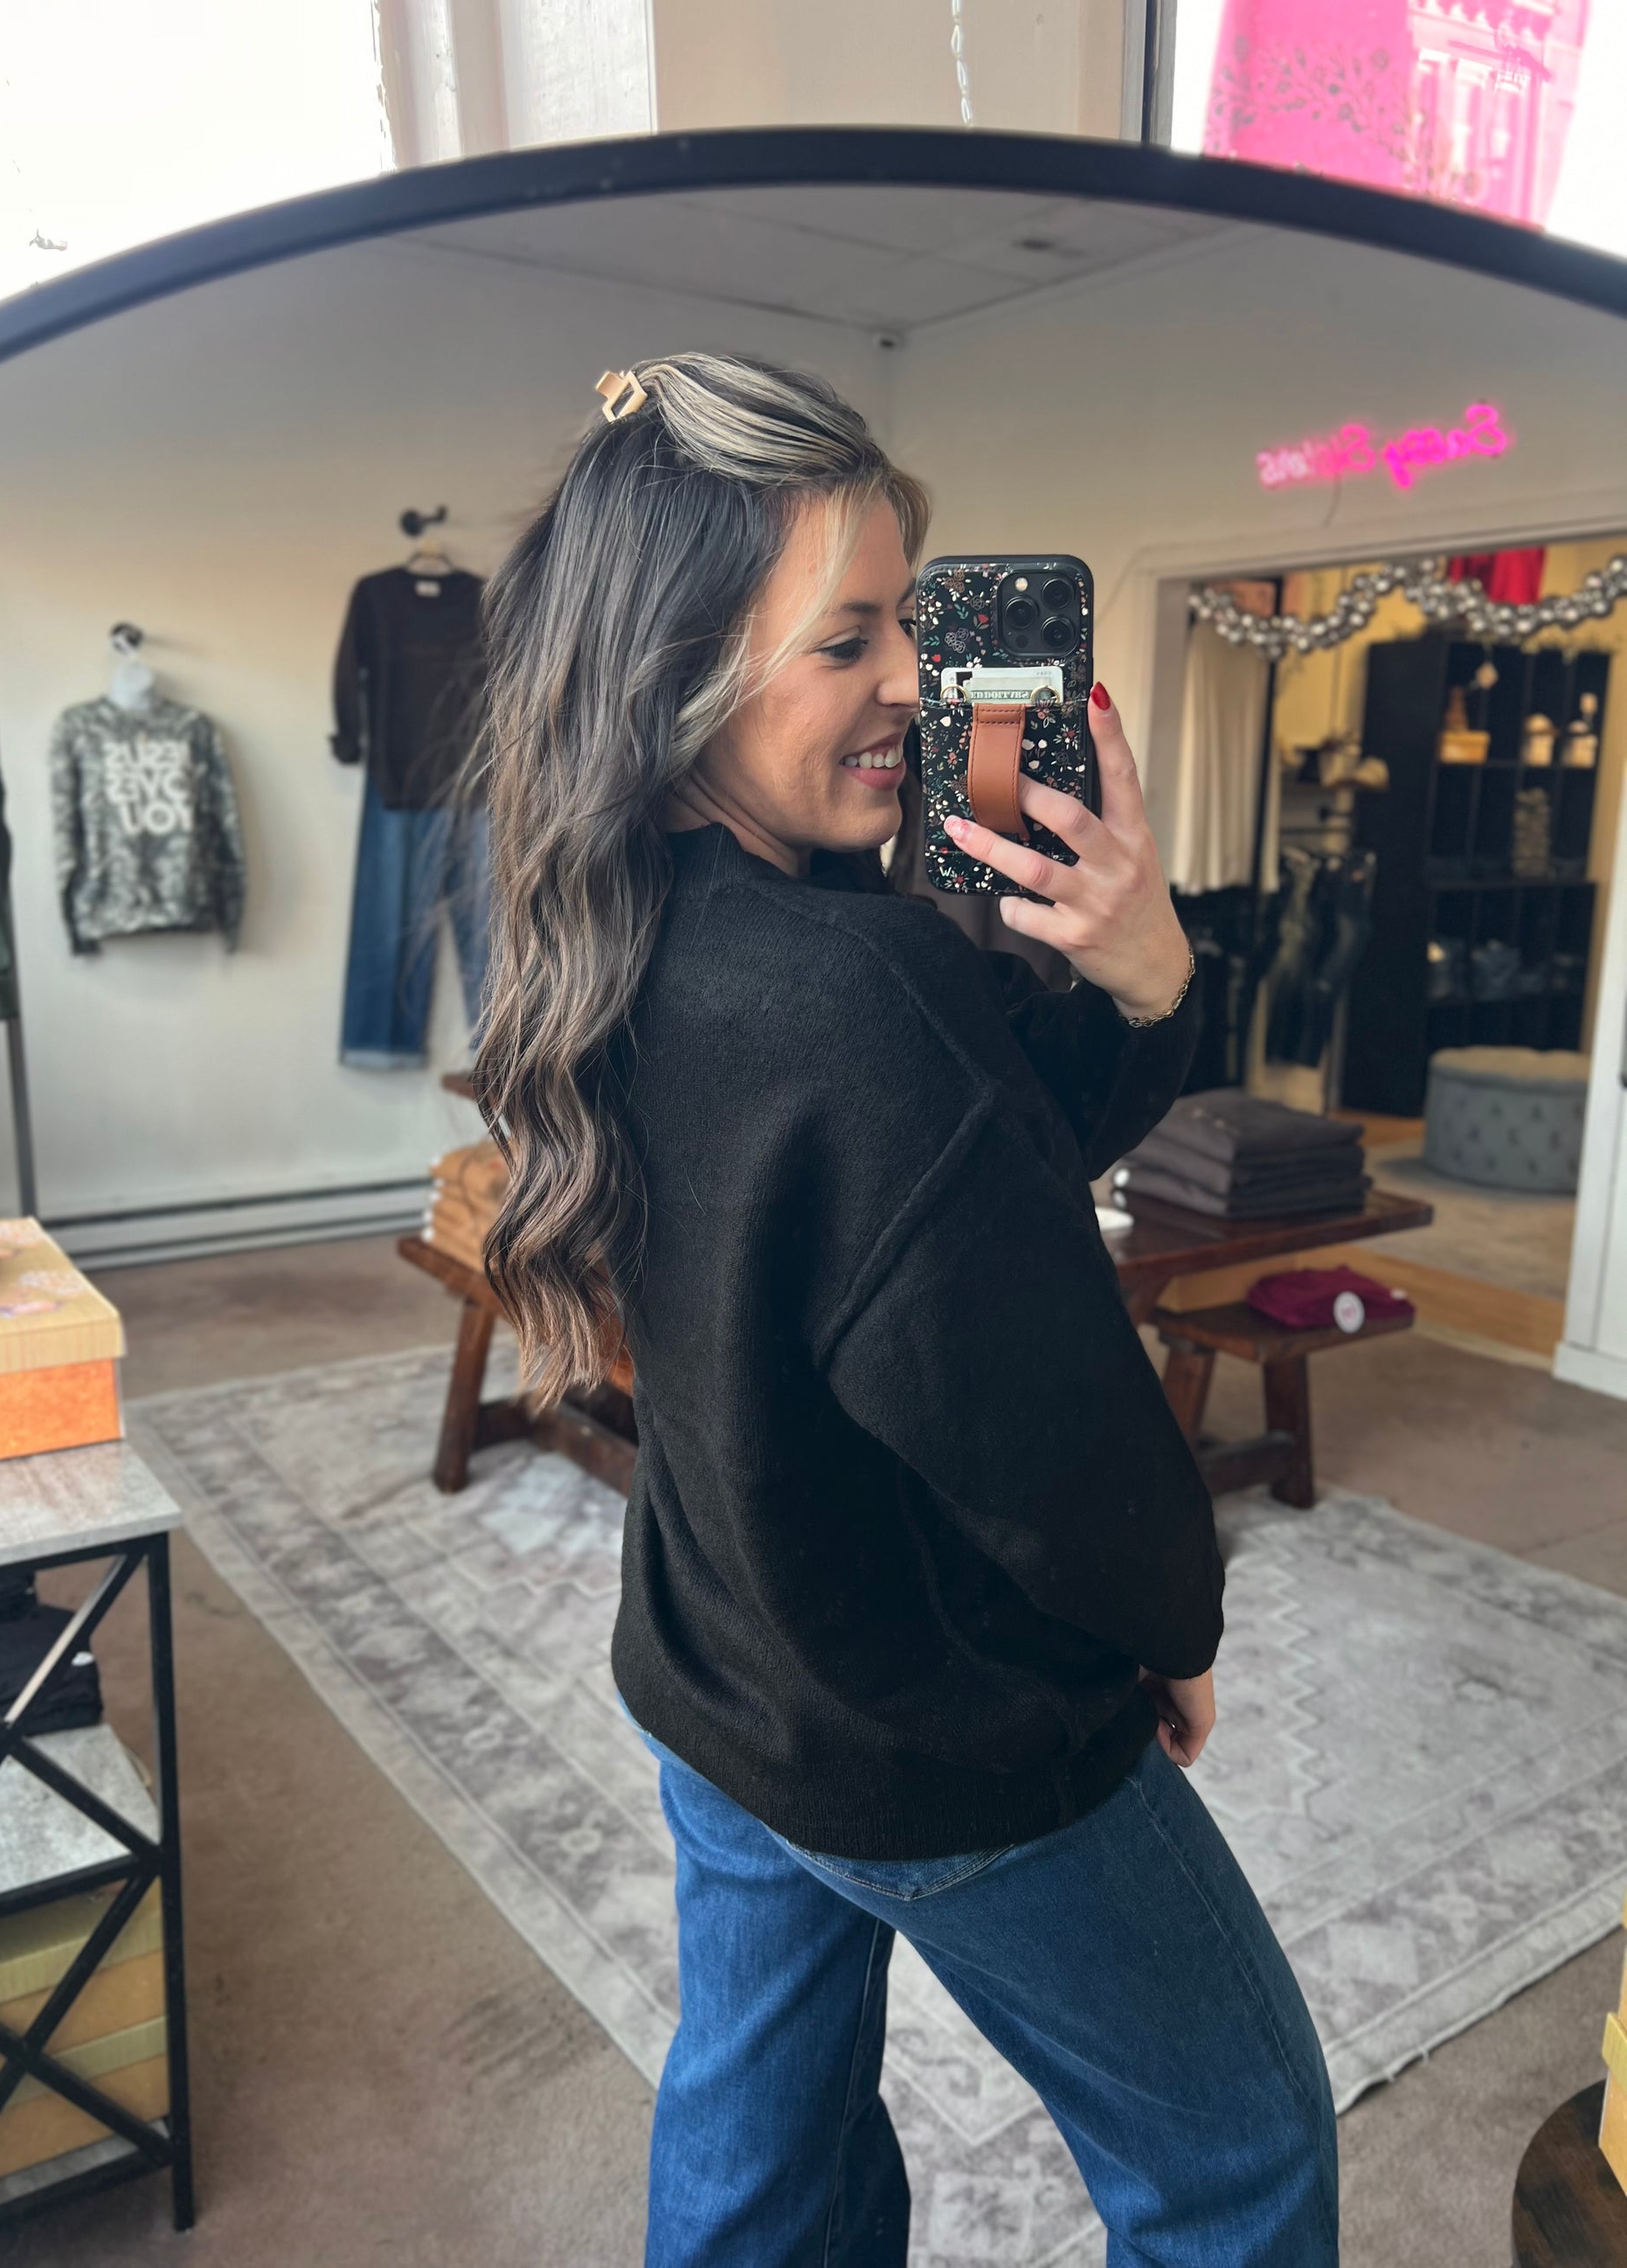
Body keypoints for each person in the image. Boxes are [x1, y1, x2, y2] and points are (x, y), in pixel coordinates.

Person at [474, 354, 1337, 2268]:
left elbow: (961, 1182)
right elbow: (1037, 1421)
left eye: (912, 627)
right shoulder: (858, 989)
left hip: (723, 1660)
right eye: (844, 638)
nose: (910, 688)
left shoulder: (605, 928)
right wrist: (1160, 1623)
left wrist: (1136, 977)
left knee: (764, 2154)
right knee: (1242, 2153)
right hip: (930, 1710)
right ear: (679, 667)